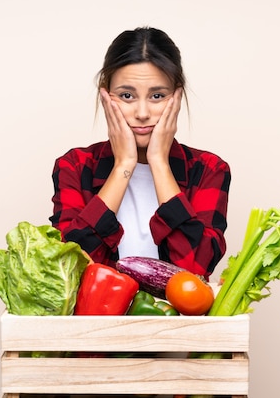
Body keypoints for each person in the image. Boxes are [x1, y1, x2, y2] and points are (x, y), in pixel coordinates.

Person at [49, 27, 230, 279]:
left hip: (178, 320)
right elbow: (69, 270)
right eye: (126, 95)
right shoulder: (76, 167)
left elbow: (194, 270)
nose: (142, 113)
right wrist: (124, 164)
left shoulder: (208, 170)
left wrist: (159, 163)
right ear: (105, 95)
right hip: (97, 319)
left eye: (157, 96)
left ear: (177, 96)